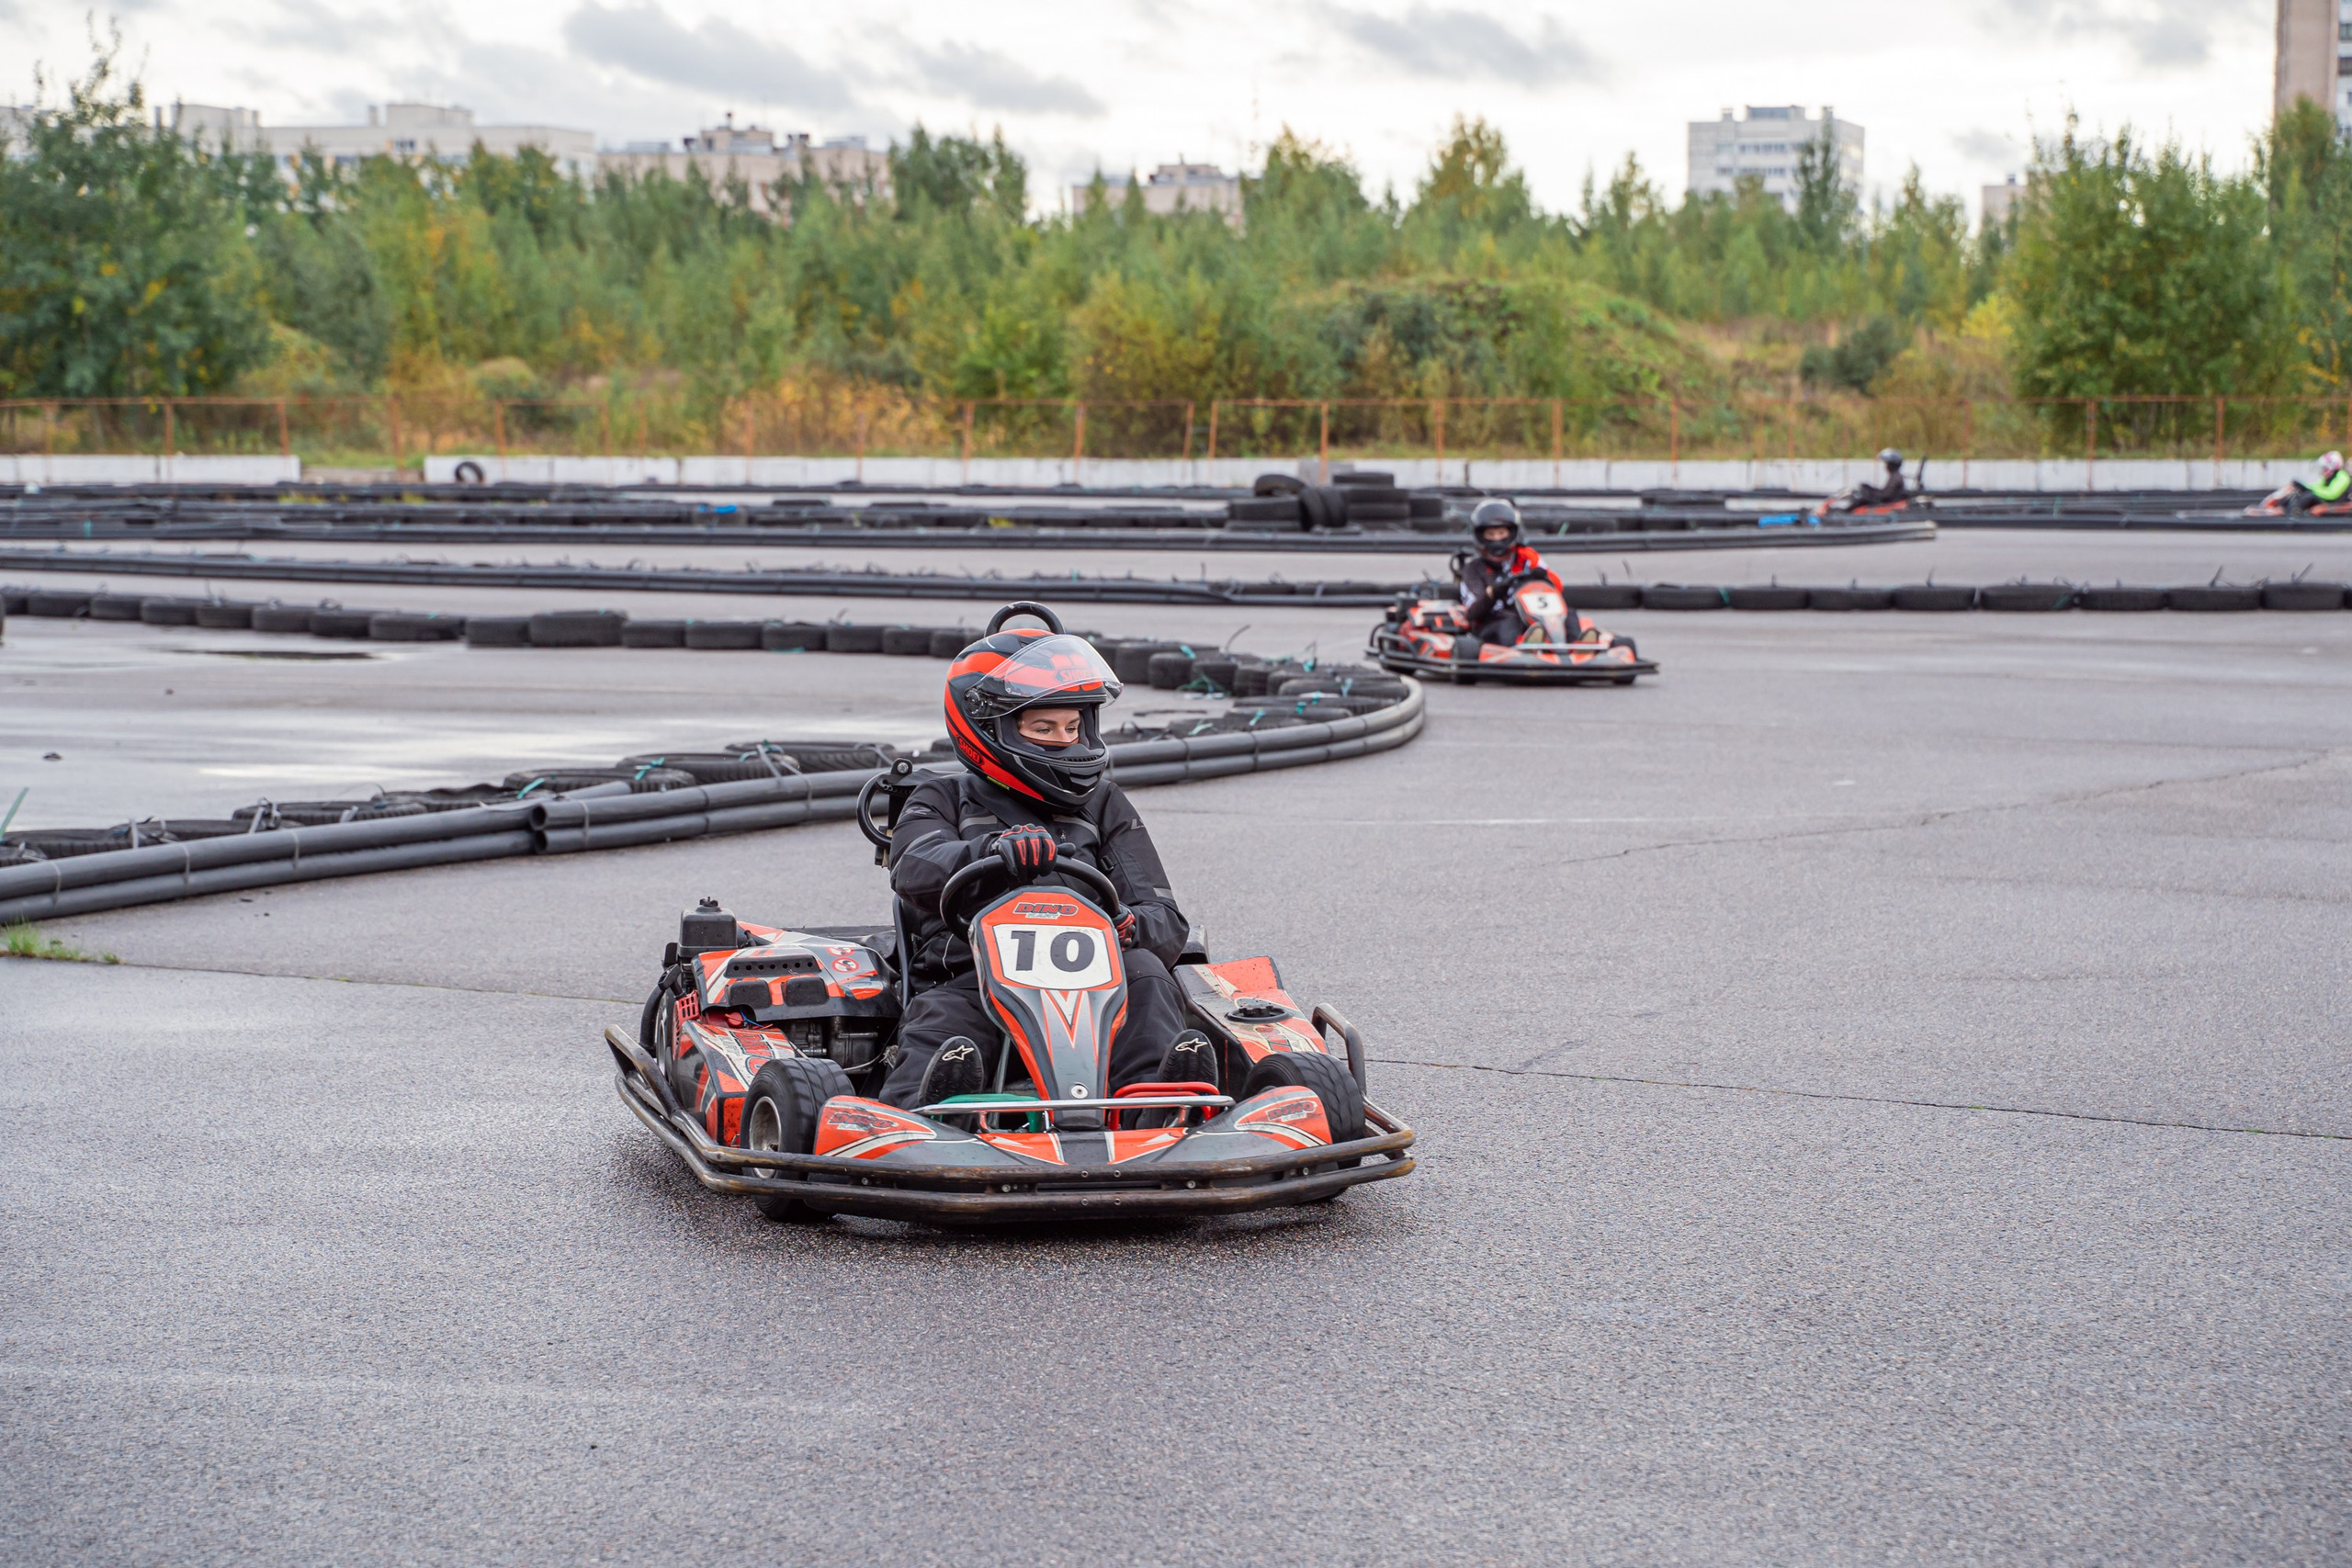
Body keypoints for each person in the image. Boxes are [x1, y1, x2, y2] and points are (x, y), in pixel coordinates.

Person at [876, 614, 1215, 1111]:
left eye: (1073, 726)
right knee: (946, 1019)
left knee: (1146, 974)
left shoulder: (1104, 804)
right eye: (1043, 727)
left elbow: (1166, 919)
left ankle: (1160, 1106)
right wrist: (992, 854)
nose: (1064, 740)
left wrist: (1127, 926)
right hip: (970, 976)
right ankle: (924, 1115)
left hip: (1098, 983)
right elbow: (914, 867)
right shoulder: (941, 795)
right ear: (988, 727)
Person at [1455, 499, 1569, 653]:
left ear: (1512, 533)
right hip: (1491, 624)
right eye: (1491, 534)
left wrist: (1543, 578)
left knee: (1569, 615)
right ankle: (1525, 649)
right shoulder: (1474, 569)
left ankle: (1579, 645)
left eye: (1502, 533)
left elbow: (1555, 591)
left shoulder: (1526, 559)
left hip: (1531, 620)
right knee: (1509, 623)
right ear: (1481, 536)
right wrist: (1493, 593)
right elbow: (1472, 613)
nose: (1497, 539)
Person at [2273, 451, 2348, 513]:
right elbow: (2317, 487)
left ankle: (2291, 514)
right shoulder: (2327, 478)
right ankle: (2279, 508)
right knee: (2297, 493)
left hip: (2337, 504)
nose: (2322, 470)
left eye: (2324, 468)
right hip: (2326, 500)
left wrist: (2310, 490)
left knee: (2309, 496)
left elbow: (2331, 494)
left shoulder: (2343, 477)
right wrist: (2303, 487)